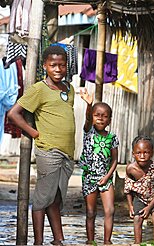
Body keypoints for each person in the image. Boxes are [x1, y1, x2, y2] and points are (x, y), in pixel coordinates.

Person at [7, 45, 75, 245]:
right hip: (49, 151)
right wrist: (35, 133)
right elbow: (13, 114)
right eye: (53, 65)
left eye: (62, 65)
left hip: (67, 153)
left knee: (55, 198)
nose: (58, 69)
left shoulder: (68, 89)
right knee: (42, 199)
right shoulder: (39, 89)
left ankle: (58, 239)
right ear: (45, 66)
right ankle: (38, 241)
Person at [79, 88, 119, 245]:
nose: (100, 119)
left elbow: (115, 160)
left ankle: (107, 241)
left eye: (105, 116)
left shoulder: (112, 137)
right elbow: (88, 120)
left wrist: (107, 177)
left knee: (110, 210)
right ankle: (90, 241)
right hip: (89, 177)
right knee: (90, 212)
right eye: (97, 115)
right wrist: (89, 105)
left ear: (109, 120)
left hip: (105, 178)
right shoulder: (88, 131)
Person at [124, 136, 154, 244]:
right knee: (137, 219)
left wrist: (149, 207)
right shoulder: (130, 169)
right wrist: (130, 207)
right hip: (140, 198)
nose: (142, 156)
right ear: (133, 154)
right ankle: (137, 243)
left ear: (152, 153)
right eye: (138, 153)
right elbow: (128, 189)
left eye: (146, 152)